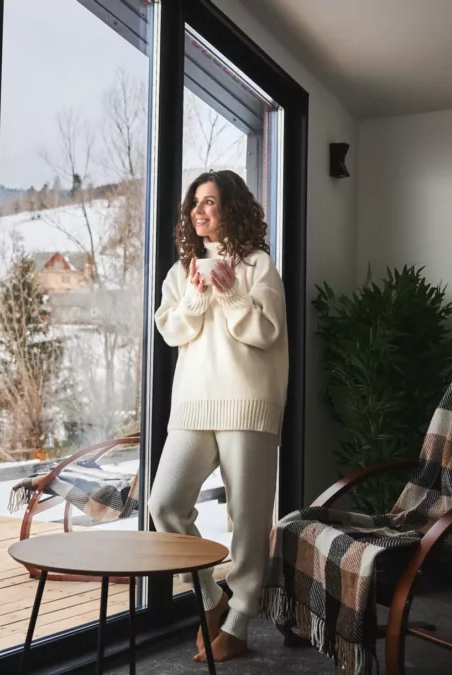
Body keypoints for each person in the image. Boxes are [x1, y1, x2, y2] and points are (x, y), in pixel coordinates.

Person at [150, 169, 288, 662]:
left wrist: (230, 291)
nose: (198, 211)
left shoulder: (258, 267)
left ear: (232, 208)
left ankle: (240, 619)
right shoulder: (179, 271)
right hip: (192, 404)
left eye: (209, 201)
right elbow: (172, 332)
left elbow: (266, 334)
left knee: (247, 521)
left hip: (247, 404)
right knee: (163, 503)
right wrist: (196, 292)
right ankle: (210, 598)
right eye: (194, 203)